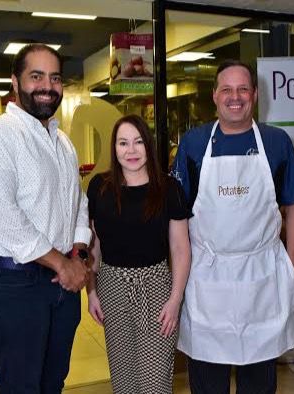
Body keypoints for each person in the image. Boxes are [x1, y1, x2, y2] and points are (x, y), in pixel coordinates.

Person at [171, 59, 294, 394]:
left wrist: (288, 268)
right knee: (208, 380)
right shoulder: (193, 144)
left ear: (255, 95)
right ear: (215, 95)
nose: (236, 96)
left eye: (243, 88)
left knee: (258, 380)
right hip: (207, 279)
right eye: (227, 89)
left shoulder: (276, 143)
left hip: (261, 279)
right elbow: (177, 218)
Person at [0, 44, 91, 393]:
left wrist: (78, 254)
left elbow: (77, 202)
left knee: (53, 383)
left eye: (54, 78)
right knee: (21, 387)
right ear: (15, 82)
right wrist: (63, 265)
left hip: (59, 286)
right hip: (13, 287)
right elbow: (6, 219)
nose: (47, 86)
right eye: (36, 76)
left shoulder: (62, 142)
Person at [86, 114, 191, 394]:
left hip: (156, 289)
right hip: (111, 288)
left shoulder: (169, 189)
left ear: (149, 145)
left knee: (154, 383)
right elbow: (92, 245)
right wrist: (91, 291)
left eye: (138, 142)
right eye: (123, 143)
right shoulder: (100, 187)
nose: (131, 151)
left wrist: (175, 300)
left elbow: (181, 250)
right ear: (114, 148)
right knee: (124, 382)